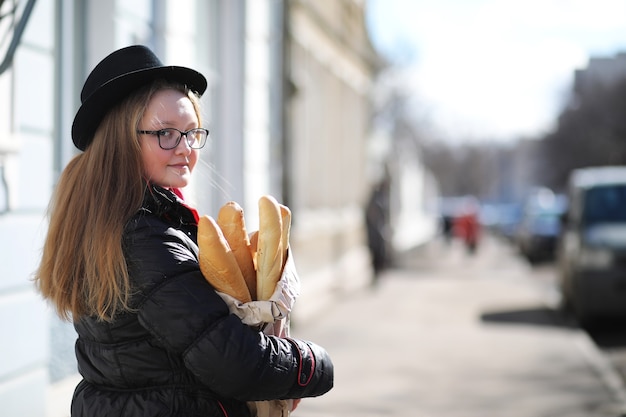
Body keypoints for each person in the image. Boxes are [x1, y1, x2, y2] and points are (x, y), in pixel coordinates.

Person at [34, 45, 333, 417]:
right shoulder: (144, 239)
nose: (186, 149)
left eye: (191, 133)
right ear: (122, 143)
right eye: (166, 134)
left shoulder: (110, 224)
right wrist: (316, 364)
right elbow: (235, 362)